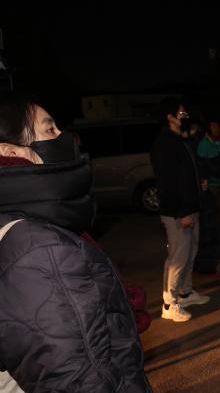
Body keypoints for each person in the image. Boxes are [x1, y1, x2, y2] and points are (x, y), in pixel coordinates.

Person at [0, 93, 150, 392]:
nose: (64, 137)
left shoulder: (25, 220)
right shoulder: (39, 247)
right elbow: (78, 377)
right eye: (49, 129)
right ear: (10, 150)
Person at [151, 98, 210, 323]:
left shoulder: (180, 139)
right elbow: (168, 183)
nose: (185, 115)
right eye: (181, 112)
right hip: (177, 211)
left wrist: (200, 184)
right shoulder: (165, 143)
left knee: (190, 252)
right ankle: (169, 303)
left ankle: (184, 293)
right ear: (170, 117)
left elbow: (187, 173)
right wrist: (183, 211)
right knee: (177, 257)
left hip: (190, 207)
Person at [196, 116, 220, 274]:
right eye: (213, 125)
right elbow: (201, 165)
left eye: (217, 125)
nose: (216, 128)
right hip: (211, 185)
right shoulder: (203, 145)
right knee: (212, 215)